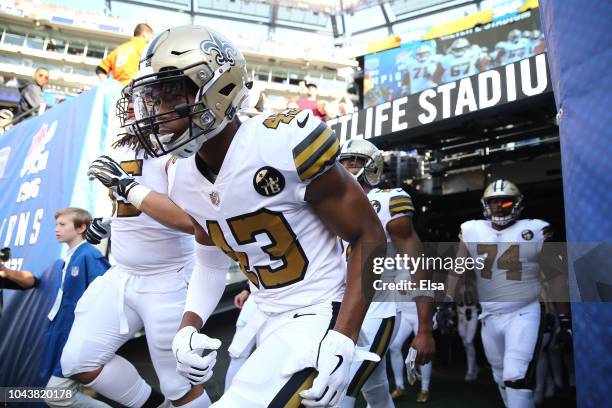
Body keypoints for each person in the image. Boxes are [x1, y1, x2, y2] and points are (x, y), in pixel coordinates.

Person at [87, 24, 390, 407]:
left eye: (169, 98)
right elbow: (209, 260)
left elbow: (370, 237)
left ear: (217, 90)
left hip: (320, 311)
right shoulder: (181, 176)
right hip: (264, 313)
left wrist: (344, 335)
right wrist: (189, 324)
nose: (155, 113)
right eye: (152, 99)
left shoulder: (283, 143)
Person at [62, 119, 212, 407]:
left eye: (144, 97)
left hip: (168, 278)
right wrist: (108, 223)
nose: (132, 107)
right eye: (131, 97)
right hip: (122, 275)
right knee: (79, 361)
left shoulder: (179, 149)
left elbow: (194, 221)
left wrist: (127, 186)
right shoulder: (123, 147)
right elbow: (131, 206)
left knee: (179, 386)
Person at [455, 179, 572, 408]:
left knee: (516, 376)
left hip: (523, 312)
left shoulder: (535, 230)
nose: (499, 207)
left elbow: (556, 276)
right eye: (493, 202)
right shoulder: (471, 229)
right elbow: (457, 271)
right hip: (488, 317)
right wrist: (443, 305)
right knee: (500, 377)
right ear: (485, 204)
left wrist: (565, 317)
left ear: (517, 204)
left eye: (505, 202)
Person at [337, 139, 435, 408]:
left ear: (373, 167)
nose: (346, 167)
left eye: (354, 161)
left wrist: (425, 328)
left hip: (378, 308)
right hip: (341, 306)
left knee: (340, 386)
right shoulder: (330, 204)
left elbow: (417, 262)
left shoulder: (388, 200)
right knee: (375, 388)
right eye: (342, 161)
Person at [42, 208, 111, 408]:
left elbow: (103, 296)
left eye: (62, 225)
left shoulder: (89, 255)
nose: (57, 229)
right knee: (62, 390)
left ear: (81, 227)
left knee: (58, 393)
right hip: (60, 328)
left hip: (75, 332)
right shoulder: (71, 257)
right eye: (56, 224)